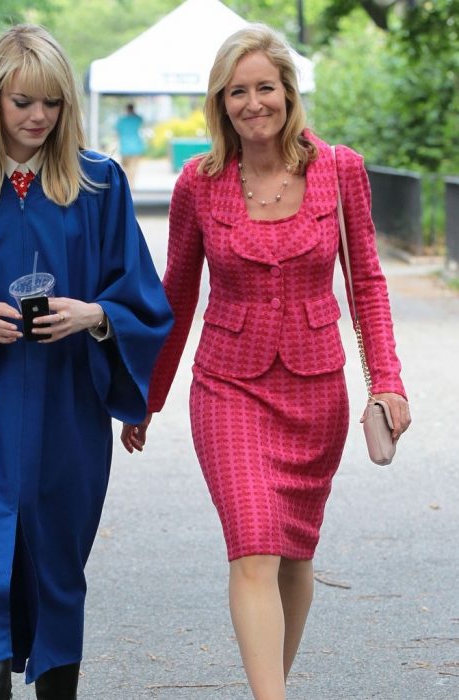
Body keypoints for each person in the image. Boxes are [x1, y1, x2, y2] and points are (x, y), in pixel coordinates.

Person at [121, 23, 411, 700]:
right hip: (227, 387)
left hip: (316, 392)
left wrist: (389, 379)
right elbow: (178, 292)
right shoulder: (201, 183)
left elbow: (366, 280)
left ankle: (270, 683)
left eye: (265, 87)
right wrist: (147, 393)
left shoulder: (340, 170)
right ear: (221, 104)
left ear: (288, 91)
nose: (254, 103)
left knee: (294, 556)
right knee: (253, 544)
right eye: (237, 92)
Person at [0, 24, 172, 700]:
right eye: (22, 103)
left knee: (55, 572)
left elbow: (139, 296)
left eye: (51, 104)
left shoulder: (98, 184)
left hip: (64, 410)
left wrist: (95, 316)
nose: (38, 117)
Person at [115, 103, 144, 187]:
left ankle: (127, 185)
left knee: (125, 168)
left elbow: (117, 131)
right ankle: (132, 185)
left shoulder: (122, 120)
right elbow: (141, 119)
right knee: (133, 168)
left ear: (126, 109)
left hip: (125, 147)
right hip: (136, 147)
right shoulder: (136, 119)